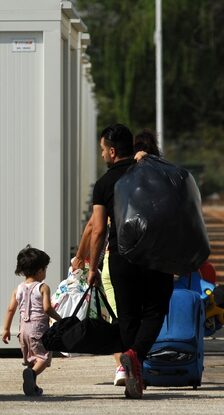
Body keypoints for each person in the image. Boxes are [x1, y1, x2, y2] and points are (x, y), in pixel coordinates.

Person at [82, 124, 174, 399]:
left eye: (102, 150)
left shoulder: (104, 184)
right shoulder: (148, 172)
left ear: (112, 151)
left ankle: (133, 366)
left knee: (129, 317)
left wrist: (94, 265)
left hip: (121, 257)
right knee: (155, 310)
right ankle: (135, 358)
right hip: (155, 254)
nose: (101, 155)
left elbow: (98, 230)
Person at [2, 246, 62, 396]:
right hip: (39, 329)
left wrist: (6, 329)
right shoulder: (43, 287)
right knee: (43, 357)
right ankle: (32, 375)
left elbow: (10, 309)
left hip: (23, 331)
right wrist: (60, 319)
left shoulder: (18, 289)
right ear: (40, 270)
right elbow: (47, 308)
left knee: (30, 358)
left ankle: (32, 385)